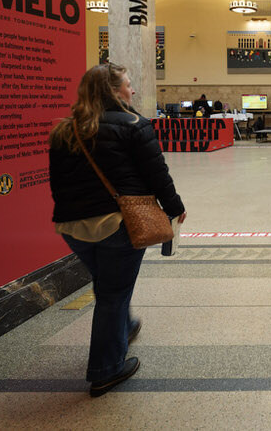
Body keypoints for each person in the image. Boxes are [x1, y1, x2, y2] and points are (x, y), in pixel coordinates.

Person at [48, 63, 186, 397]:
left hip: (72, 227)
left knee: (108, 284)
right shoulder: (134, 125)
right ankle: (106, 370)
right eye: (127, 85)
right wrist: (175, 207)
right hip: (118, 224)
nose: (132, 90)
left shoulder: (66, 129)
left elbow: (57, 184)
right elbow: (157, 174)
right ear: (113, 91)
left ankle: (123, 326)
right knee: (113, 293)